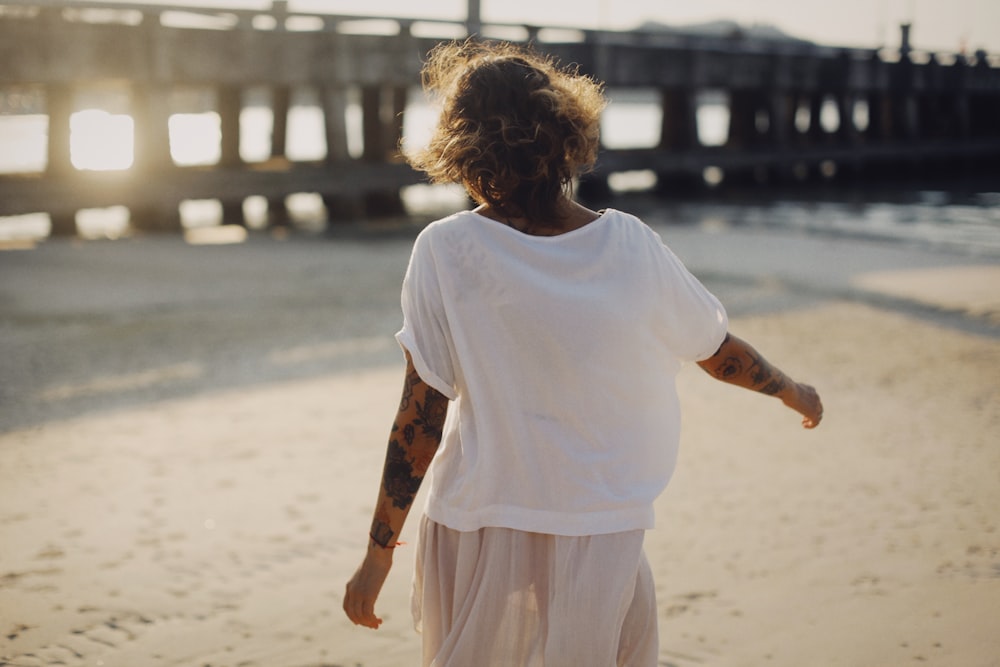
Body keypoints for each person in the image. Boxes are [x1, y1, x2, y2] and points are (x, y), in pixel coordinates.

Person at [343, 40, 823, 666]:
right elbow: (714, 349)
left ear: (464, 144)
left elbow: (421, 414)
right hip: (600, 521)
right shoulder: (629, 244)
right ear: (564, 136)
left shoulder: (446, 249)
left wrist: (378, 554)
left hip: (481, 516)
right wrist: (789, 389)